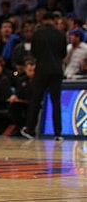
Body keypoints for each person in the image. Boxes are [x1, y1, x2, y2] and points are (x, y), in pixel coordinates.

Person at [21, 12, 66, 141]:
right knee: (56, 102)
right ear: (53, 20)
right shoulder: (60, 34)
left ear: (43, 20)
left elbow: (34, 53)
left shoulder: (37, 34)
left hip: (41, 70)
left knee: (36, 99)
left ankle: (30, 129)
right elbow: (63, 53)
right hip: (57, 70)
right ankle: (58, 132)